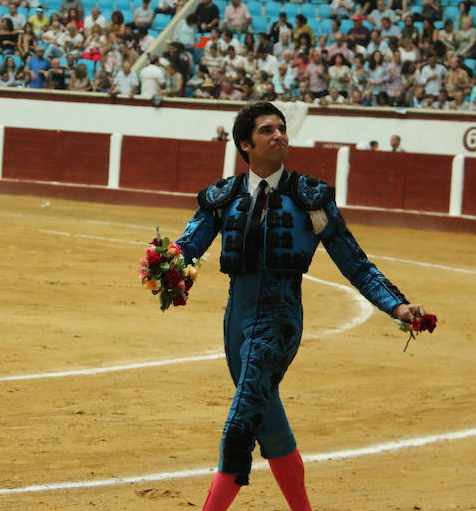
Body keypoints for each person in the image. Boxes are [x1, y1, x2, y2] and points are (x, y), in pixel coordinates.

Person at [173, 102, 426, 511]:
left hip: (279, 322)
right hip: (235, 323)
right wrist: (166, 268)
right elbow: (186, 249)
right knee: (269, 425)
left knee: (240, 426)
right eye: (267, 130)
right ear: (245, 144)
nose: (279, 135)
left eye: (282, 128)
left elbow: (354, 262)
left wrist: (395, 305)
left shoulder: (310, 199)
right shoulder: (225, 197)